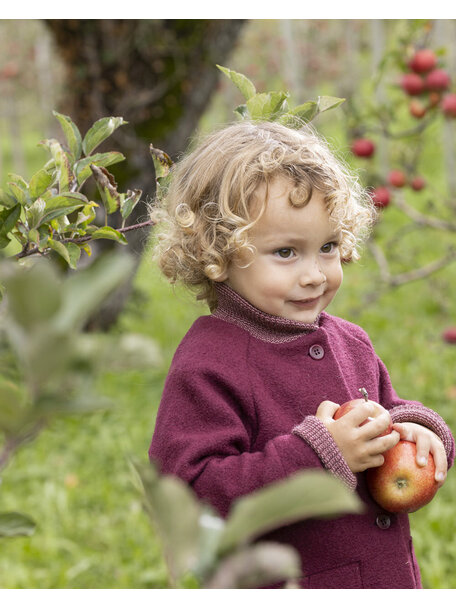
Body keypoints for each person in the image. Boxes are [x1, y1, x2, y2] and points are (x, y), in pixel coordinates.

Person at [148, 120, 454, 589]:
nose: (315, 275)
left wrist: (416, 429)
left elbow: (386, 413)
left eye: (327, 247)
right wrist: (316, 454)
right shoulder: (210, 363)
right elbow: (189, 495)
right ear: (220, 251)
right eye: (287, 252)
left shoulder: (349, 341)